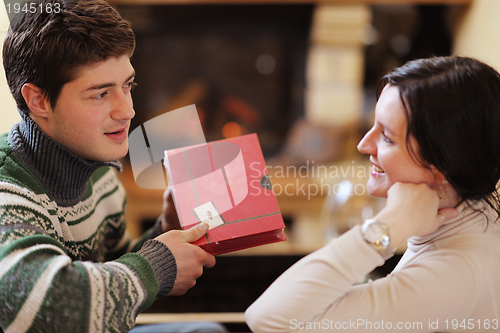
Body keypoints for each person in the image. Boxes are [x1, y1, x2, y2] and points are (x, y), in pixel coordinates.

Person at [0, 1, 224, 332]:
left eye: (127, 85)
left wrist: (165, 230)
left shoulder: (101, 173)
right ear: (38, 100)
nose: (127, 111)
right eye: (101, 94)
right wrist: (158, 265)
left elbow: (113, 280)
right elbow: (50, 308)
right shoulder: (8, 193)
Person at [245, 56, 500, 332]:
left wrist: (386, 227)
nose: (364, 144)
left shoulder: (452, 276)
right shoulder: (476, 217)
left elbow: (266, 318)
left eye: (387, 137)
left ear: (444, 164)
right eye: (373, 125)